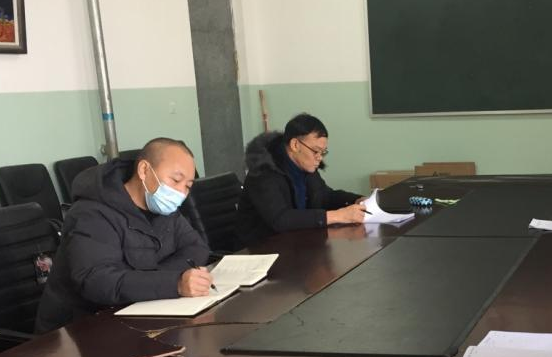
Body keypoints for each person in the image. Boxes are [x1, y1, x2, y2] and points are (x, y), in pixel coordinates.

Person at [35, 138, 211, 333]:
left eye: (188, 186)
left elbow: (196, 247)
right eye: (176, 180)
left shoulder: (164, 208)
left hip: (138, 316)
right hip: (77, 331)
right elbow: (96, 280)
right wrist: (174, 283)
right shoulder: (91, 213)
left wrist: (159, 281)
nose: (181, 193)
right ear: (144, 170)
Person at [235, 113, 366, 245]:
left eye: (323, 152)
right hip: (260, 249)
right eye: (315, 151)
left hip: (294, 243)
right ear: (295, 145)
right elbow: (280, 219)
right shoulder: (263, 171)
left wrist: (357, 200)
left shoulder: (304, 166)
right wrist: (338, 216)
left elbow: (325, 196)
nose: (319, 158)